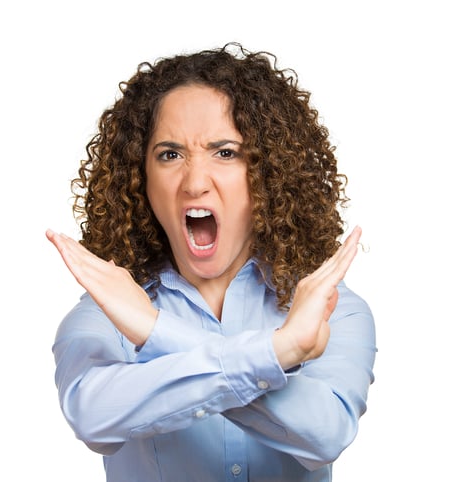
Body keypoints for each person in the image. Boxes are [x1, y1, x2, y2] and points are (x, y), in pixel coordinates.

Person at [46, 43, 376, 482]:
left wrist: (155, 333)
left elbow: (324, 434)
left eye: (225, 152)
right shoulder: (107, 309)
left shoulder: (331, 307)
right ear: (139, 178)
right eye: (170, 154)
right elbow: (92, 416)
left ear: (268, 174)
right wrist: (278, 353)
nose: (195, 182)